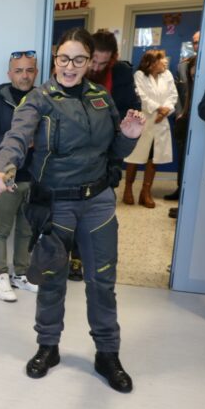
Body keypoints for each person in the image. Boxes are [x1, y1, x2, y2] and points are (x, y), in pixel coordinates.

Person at [0, 28, 145, 393]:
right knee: (52, 280)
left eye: (78, 59)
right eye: (63, 58)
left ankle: (107, 353)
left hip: (98, 202)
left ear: (90, 62)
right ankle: (48, 346)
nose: (70, 67)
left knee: (102, 282)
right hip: (56, 203)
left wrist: (131, 135)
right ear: (55, 59)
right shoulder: (40, 99)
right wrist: (2, 167)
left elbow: (115, 151)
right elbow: (16, 136)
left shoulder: (101, 97)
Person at [62, 29, 144, 281]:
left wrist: (125, 125)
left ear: (112, 59)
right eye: (93, 61)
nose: (96, 67)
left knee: (98, 207)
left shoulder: (120, 73)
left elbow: (131, 105)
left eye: (102, 62)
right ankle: (72, 257)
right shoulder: (72, 74)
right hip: (75, 152)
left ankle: (89, 257)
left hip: (108, 150)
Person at [0, 50, 39, 302]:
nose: (24, 76)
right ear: (9, 73)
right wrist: (18, 141)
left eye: (29, 70)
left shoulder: (43, 100)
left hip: (33, 176)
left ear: (36, 72)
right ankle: (0, 277)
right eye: (19, 70)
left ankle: (21, 274)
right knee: (1, 229)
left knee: (26, 229)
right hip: (5, 177)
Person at [123, 49, 178, 208]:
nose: (166, 62)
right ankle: (128, 188)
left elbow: (172, 96)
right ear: (152, 63)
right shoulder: (140, 75)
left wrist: (166, 110)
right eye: (162, 60)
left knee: (154, 158)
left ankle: (145, 193)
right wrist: (159, 109)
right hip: (144, 120)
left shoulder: (167, 75)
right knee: (135, 155)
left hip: (161, 122)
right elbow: (142, 96)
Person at [168, 30, 200, 218]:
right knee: (183, 157)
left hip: (203, 119)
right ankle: (181, 191)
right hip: (185, 117)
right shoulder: (184, 66)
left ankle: (191, 199)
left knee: (196, 159)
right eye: (194, 42)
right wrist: (179, 113)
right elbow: (178, 92)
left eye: (199, 41)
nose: (196, 45)